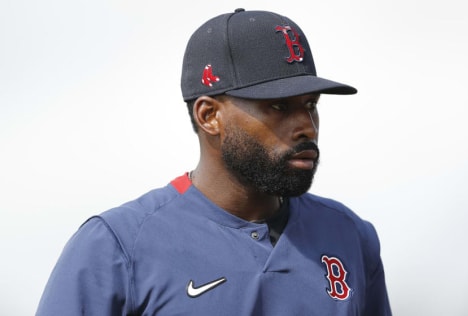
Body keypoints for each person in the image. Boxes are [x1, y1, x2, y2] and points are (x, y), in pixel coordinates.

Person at [36, 8, 392, 315]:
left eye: (310, 104)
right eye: (279, 106)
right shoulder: (115, 246)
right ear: (209, 116)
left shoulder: (350, 236)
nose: (305, 126)